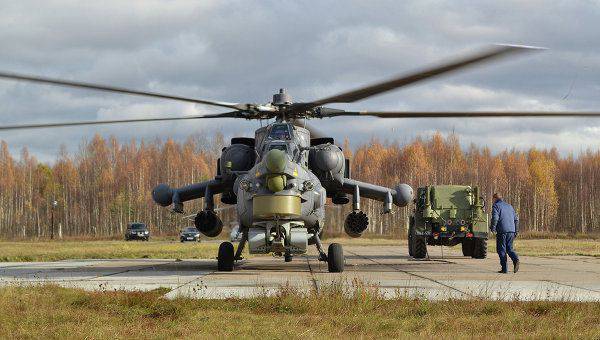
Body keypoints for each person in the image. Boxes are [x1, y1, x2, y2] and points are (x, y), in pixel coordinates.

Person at [490, 193, 520, 273]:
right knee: (509, 249)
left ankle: (504, 269)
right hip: (511, 231)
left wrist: (493, 228)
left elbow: (495, 218)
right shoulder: (509, 206)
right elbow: (516, 219)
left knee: (501, 250)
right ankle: (516, 259)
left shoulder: (496, 206)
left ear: (495, 198)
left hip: (502, 231)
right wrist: (516, 231)